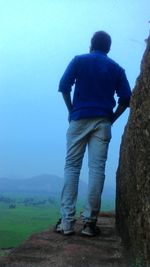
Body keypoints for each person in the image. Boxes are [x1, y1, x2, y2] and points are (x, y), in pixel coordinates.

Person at [54, 31, 131, 236]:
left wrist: (72, 111)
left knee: (72, 167)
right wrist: (111, 119)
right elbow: (126, 99)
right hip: (102, 121)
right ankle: (89, 224)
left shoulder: (79, 60)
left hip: (79, 118)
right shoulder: (117, 69)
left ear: (91, 45)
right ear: (108, 48)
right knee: (96, 169)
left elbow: (64, 86)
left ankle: (67, 223)